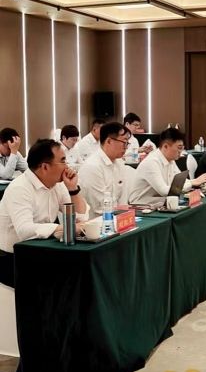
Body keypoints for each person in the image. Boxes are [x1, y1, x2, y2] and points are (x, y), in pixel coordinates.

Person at [0, 139, 89, 288]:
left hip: (42, 252)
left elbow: (81, 217)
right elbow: (24, 230)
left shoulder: (57, 185)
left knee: (79, 277)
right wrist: (60, 228)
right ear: (45, 167)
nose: (67, 166)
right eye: (63, 161)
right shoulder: (19, 188)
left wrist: (73, 189)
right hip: (13, 260)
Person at [129, 128, 206, 205]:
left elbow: (180, 181)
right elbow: (165, 191)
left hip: (159, 201)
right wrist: (192, 183)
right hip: (140, 206)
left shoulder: (170, 160)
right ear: (165, 146)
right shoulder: (151, 162)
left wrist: (195, 181)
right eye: (179, 148)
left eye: (182, 148)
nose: (181, 152)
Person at [78, 122, 131, 214]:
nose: (126, 147)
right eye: (124, 142)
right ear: (109, 141)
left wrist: (124, 214)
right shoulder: (92, 166)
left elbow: (123, 200)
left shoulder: (119, 163)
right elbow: (100, 207)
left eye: (127, 143)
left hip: (116, 216)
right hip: (95, 220)